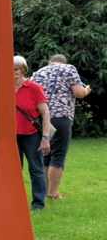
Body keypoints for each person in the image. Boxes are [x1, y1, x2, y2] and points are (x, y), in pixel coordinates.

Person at [30, 54, 91, 200]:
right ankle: (52, 193)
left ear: (50, 62)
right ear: (64, 62)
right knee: (58, 155)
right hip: (61, 116)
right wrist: (87, 90)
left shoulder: (39, 72)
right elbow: (78, 92)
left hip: (41, 118)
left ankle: (45, 191)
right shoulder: (69, 69)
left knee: (46, 154)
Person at [12, 56, 52, 212]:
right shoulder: (3, 87)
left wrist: (45, 138)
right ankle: (15, 201)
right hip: (11, 136)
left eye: (15, 69)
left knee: (36, 169)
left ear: (23, 70)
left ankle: (38, 203)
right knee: (14, 170)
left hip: (31, 134)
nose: (12, 72)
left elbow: (45, 114)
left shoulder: (34, 87)